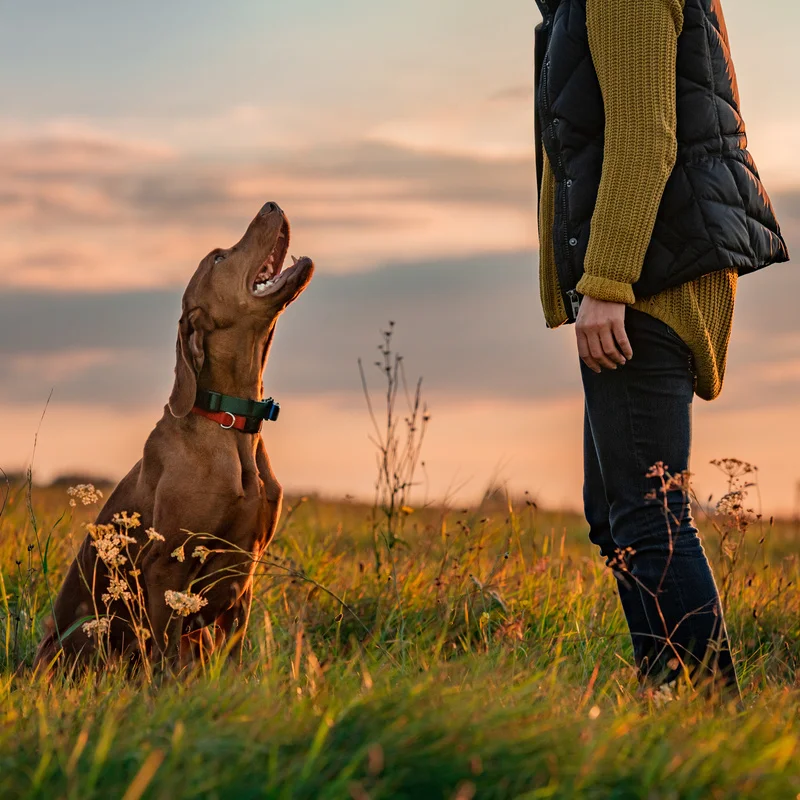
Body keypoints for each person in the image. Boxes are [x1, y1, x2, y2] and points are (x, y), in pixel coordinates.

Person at [534, 0, 789, 696]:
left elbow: (645, 137)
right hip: (645, 274)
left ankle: (711, 714)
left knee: (648, 515)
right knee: (617, 516)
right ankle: (667, 696)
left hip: (648, 280)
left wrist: (606, 281)